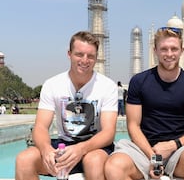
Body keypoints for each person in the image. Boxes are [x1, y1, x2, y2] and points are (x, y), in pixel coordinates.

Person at [104, 27, 184, 180]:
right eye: (164, 49)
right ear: (155, 51)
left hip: (179, 150)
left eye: (174, 49)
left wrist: (171, 146)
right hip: (143, 149)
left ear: (182, 51)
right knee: (114, 166)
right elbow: (133, 125)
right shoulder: (139, 81)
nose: (169, 54)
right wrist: (154, 157)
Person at [15, 31, 118, 180]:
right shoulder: (53, 84)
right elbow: (41, 127)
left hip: (95, 147)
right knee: (24, 160)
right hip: (63, 146)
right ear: (69, 54)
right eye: (79, 54)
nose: (85, 60)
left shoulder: (107, 86)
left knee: (93, 161)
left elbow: (108, 132)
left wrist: (80, 149)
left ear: (96, 58)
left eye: (90, 56)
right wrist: (46, 150)